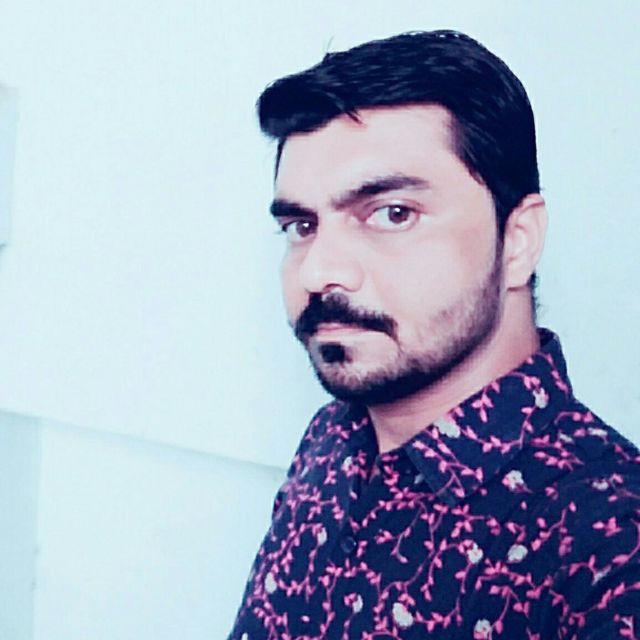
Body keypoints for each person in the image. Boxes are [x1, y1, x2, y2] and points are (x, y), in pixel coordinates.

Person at [228, 30, 640, 638]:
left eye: (393, 214)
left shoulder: (613, 546)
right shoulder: (332, 441)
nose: (318, 272)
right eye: (302, 226)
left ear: (518, 240)